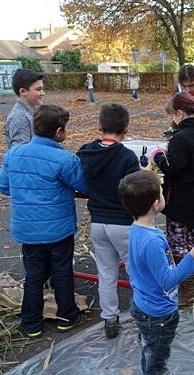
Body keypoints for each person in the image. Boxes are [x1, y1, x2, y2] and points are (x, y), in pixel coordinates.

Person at [118, 170, 194, 375]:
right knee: (156, 358)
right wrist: (193, 258)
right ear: (156, 204)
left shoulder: (137, 229)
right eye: (160, 191)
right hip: (157, 314)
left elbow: (138, 268)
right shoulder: (152, 242)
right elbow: (168, 280)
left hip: (143, 305)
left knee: (152, 351)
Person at [0, 105, 88, 337]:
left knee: (34, 275)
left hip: (27, 228)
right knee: (62, 271)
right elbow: (83, 186)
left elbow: (4, 186)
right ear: (59, 132)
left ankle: (31, 322)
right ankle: (67, 316)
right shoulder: (65, 159)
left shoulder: (13, 155)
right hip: (58, 229)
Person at [76, 103, 139, 339]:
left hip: (97, 222)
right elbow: (133, 190)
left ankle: (110, 319)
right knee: (136, 272)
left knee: (106, 273)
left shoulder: (86, 151)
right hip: (123, 222)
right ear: (126, 128)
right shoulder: (126, 156)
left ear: (100, 126)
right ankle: (143, 312)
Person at [152, 92, 194, 305]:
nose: (173, 120)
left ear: (179, 113)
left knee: (179, 245)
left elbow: (172, 168)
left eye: (173, 116)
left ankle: (186, 291)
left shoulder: (181, 139)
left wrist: (158, 156)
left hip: (179, 203)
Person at [5, 68, 44, 148]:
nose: (43, 93)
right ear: (23, 91)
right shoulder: (19, 117)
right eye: (38, 89)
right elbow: (21, 154)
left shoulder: (32, 111)